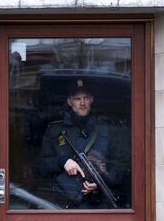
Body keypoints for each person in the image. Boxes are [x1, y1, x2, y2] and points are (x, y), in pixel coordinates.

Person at [36, 79, 117, 209]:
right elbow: (41, 166)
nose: (82, 103)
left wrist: (100, 182)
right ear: (70, 101)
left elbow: (119, 167)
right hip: (61, 204)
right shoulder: (55, 130)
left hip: (96, 206)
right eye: (77, 99)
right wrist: (62, 162)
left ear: (91, 100)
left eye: (86, 98)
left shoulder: (105, 129)